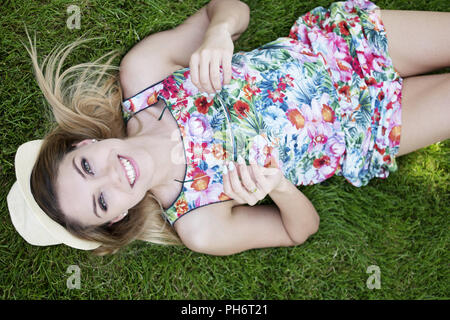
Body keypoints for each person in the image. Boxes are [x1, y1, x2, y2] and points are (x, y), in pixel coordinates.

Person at [7, 0, 450, 256]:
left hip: (337, 49)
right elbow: (300, 230)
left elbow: (231, 7)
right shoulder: (200, 225)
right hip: (364, 128)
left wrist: (217, 34)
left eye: (87, 166)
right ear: (117, 217)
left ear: (88, 143)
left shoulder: (144, 76)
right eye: (102, 200)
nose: (112, 176)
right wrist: (278, 187)